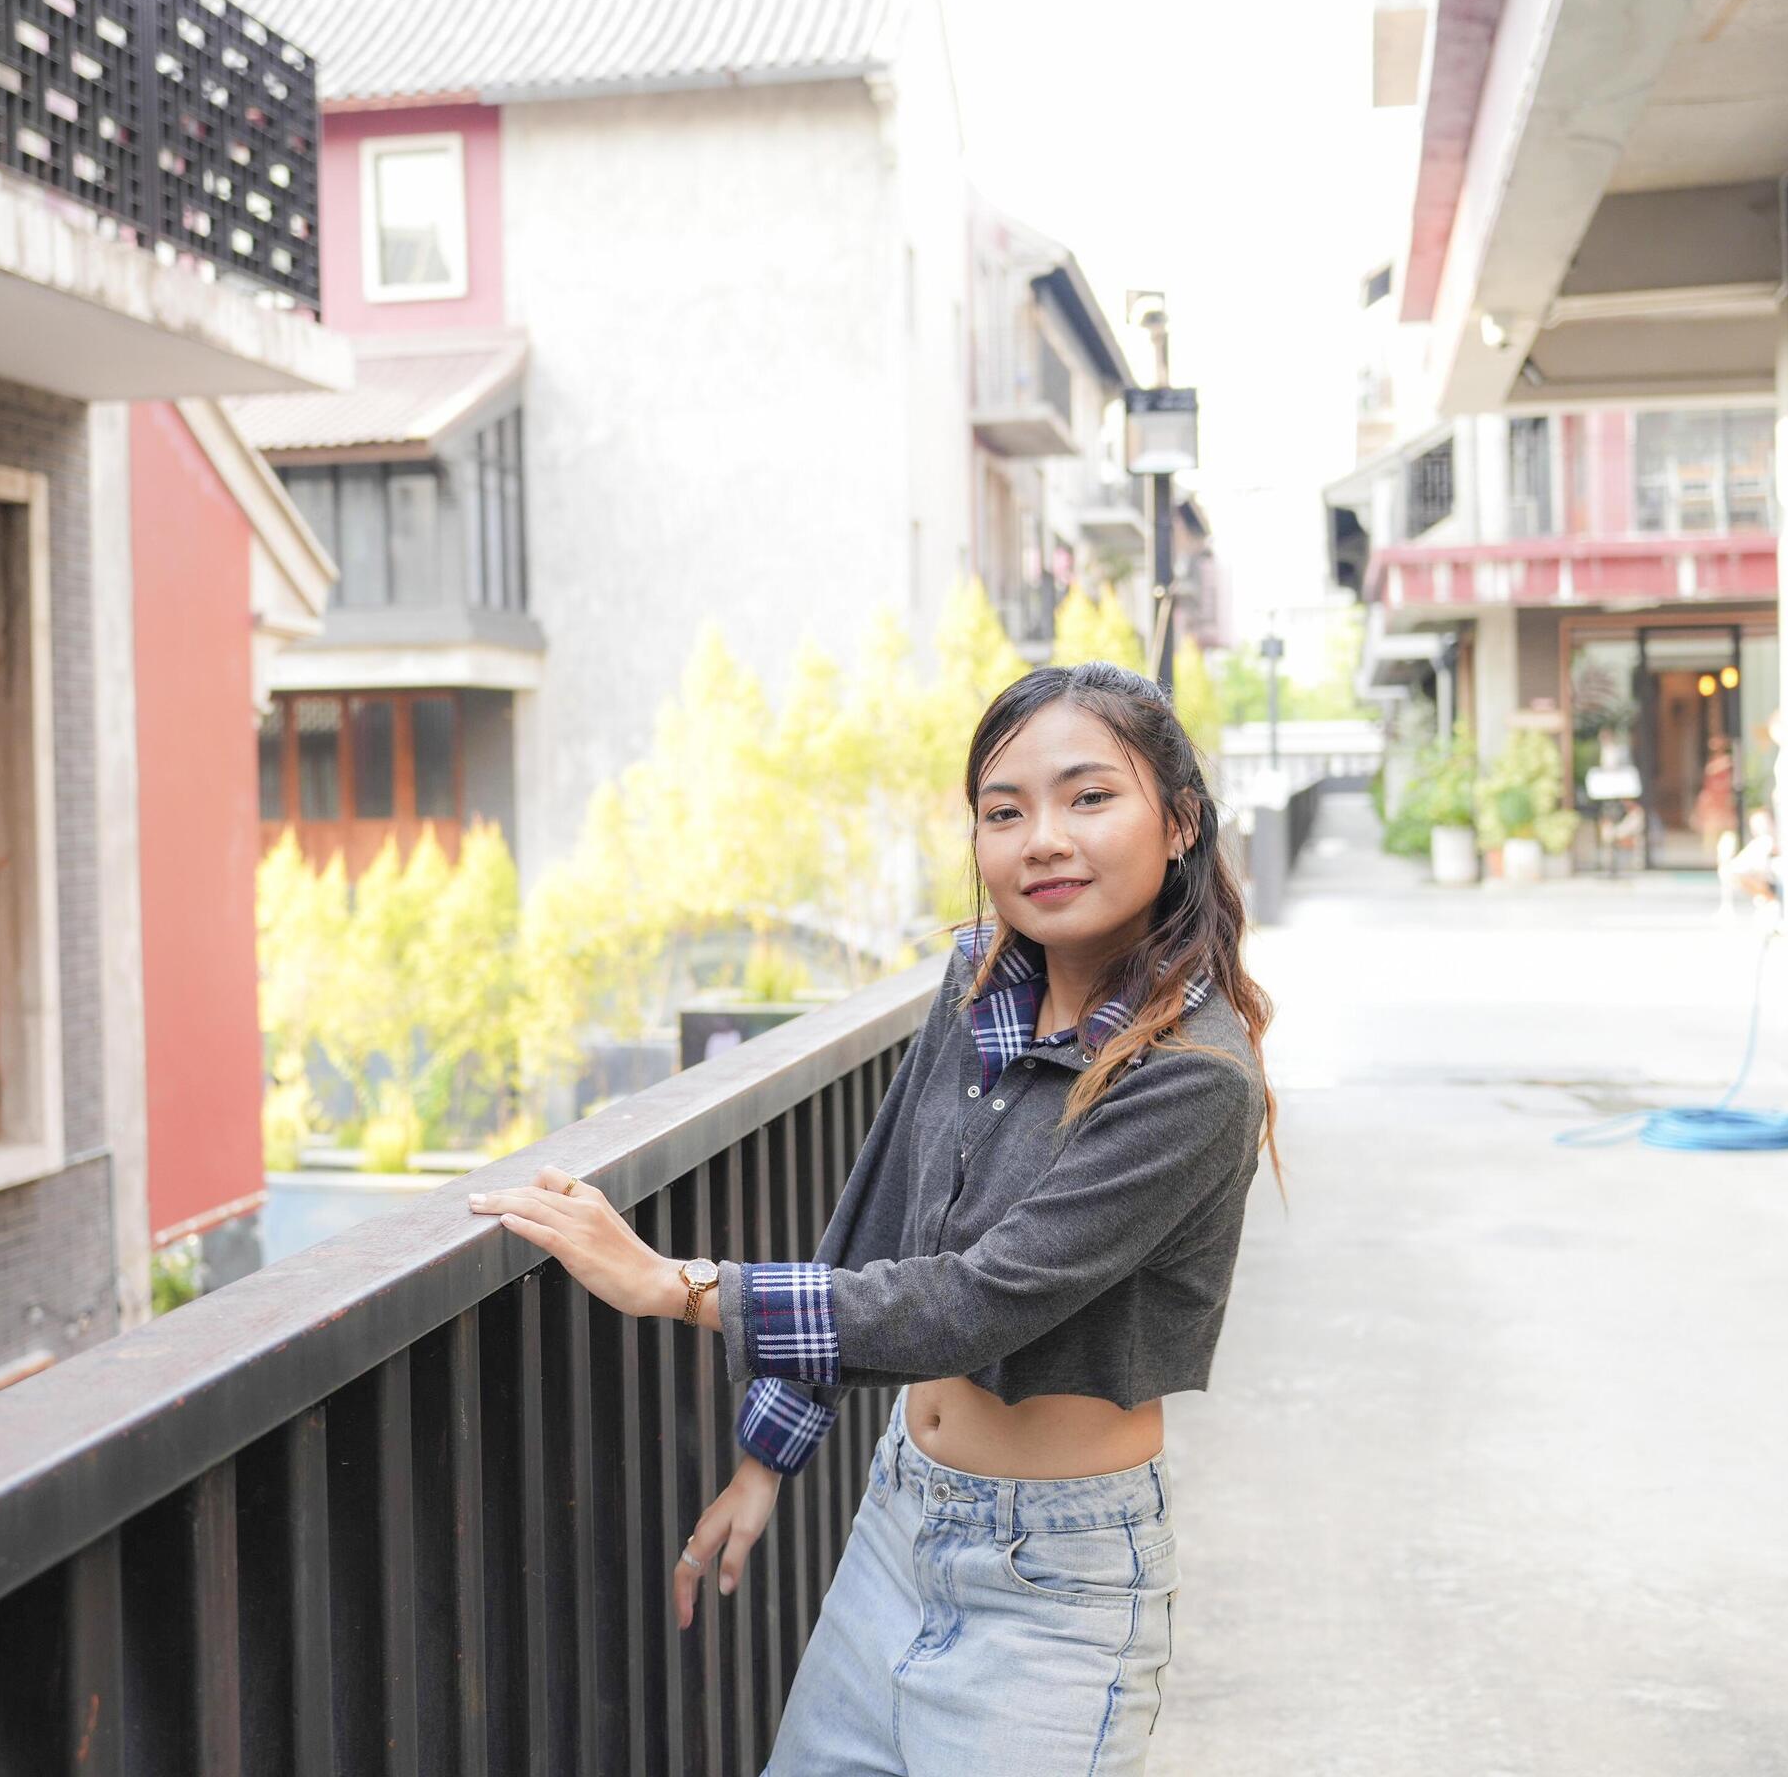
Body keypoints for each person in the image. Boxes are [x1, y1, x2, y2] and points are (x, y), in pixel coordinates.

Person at [467, 660, 1280, 1772]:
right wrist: (768, 1453)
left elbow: (973, 1302)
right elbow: (883, 1213)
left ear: (1180, 821)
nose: (1042, 837)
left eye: (1090, 797)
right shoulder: (979, 977)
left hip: (1056, 1590)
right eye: (1005, 811)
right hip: (899, 1520)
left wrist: (683, 1285)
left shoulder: (1196, 1079)